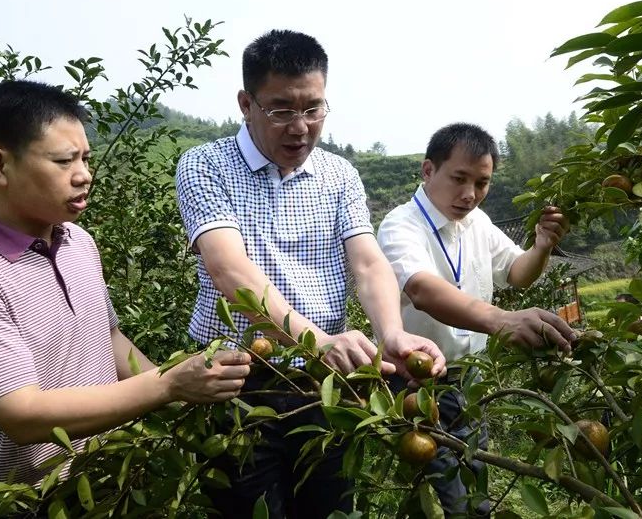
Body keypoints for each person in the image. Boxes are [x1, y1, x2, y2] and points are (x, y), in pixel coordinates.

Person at [0, 80, 251, 489]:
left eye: (85, 159)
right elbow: (21, 414)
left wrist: (183, 393)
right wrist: (169, 384)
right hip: (29, 501)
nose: (84, 176)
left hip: (115, 481)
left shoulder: (78, 242)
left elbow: (106, 337)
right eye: (64, 162)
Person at [175, 29, 446, 518]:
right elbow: (228, 268)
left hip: (328, 385)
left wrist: (392, 334)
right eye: (281, 110)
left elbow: (366, 261)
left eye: (313, 109)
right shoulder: (206, 165)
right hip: (240, 384)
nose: (300, 126)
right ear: (246, 103)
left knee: (329, 508)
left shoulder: (338, 173)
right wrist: (317, 340)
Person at [377, 122, 576, 517]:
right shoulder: (400, 226)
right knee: (445, 494)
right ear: (428, 170)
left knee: (474, 480)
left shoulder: (478, 224)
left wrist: (541, 246)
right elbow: (422, 289)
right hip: (418, 382)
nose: (470, 195)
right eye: (459, 178)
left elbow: (517, 273)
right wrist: (501, 319)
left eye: (482, 183)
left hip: (472, 380)